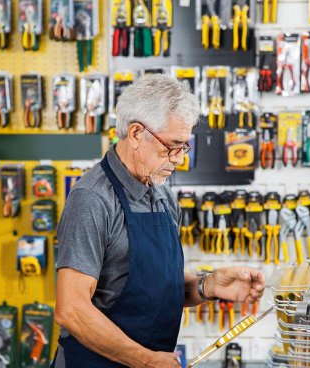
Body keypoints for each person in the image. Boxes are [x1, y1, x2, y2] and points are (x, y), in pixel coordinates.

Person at [52, 74, 266, 368]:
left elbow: (149, 289)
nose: (179, 158)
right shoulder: (92, 198)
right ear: (137, 133)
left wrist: (208, 285)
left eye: (184, 146)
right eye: (173, 145)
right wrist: (145, 360)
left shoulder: (163, 196)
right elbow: (71, 309)